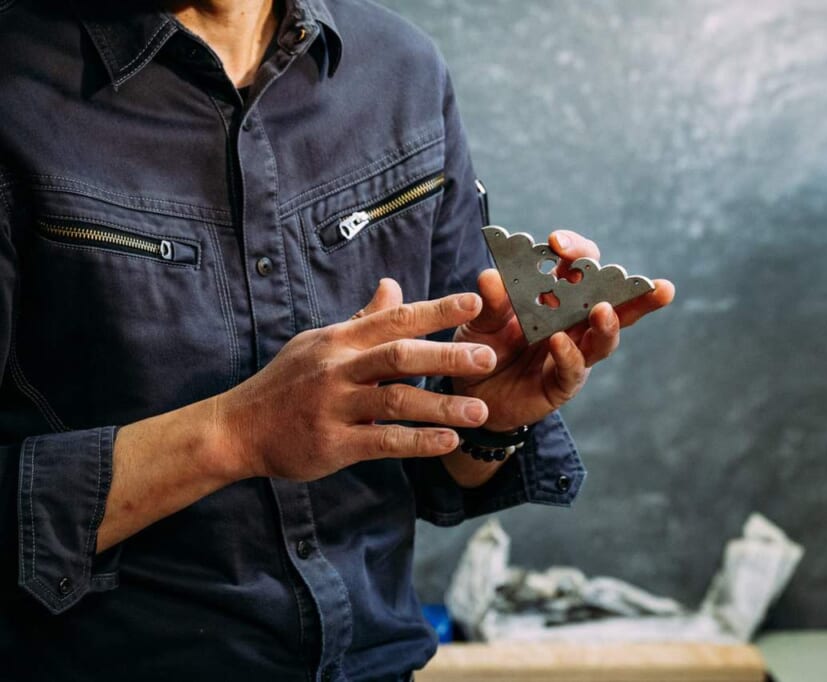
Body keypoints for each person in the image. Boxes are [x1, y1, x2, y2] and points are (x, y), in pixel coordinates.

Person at [0, 0, 673, 679]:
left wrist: (483, 415)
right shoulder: (16, 88)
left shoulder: (403, 71)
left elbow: (438, 471)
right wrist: (235, 434)